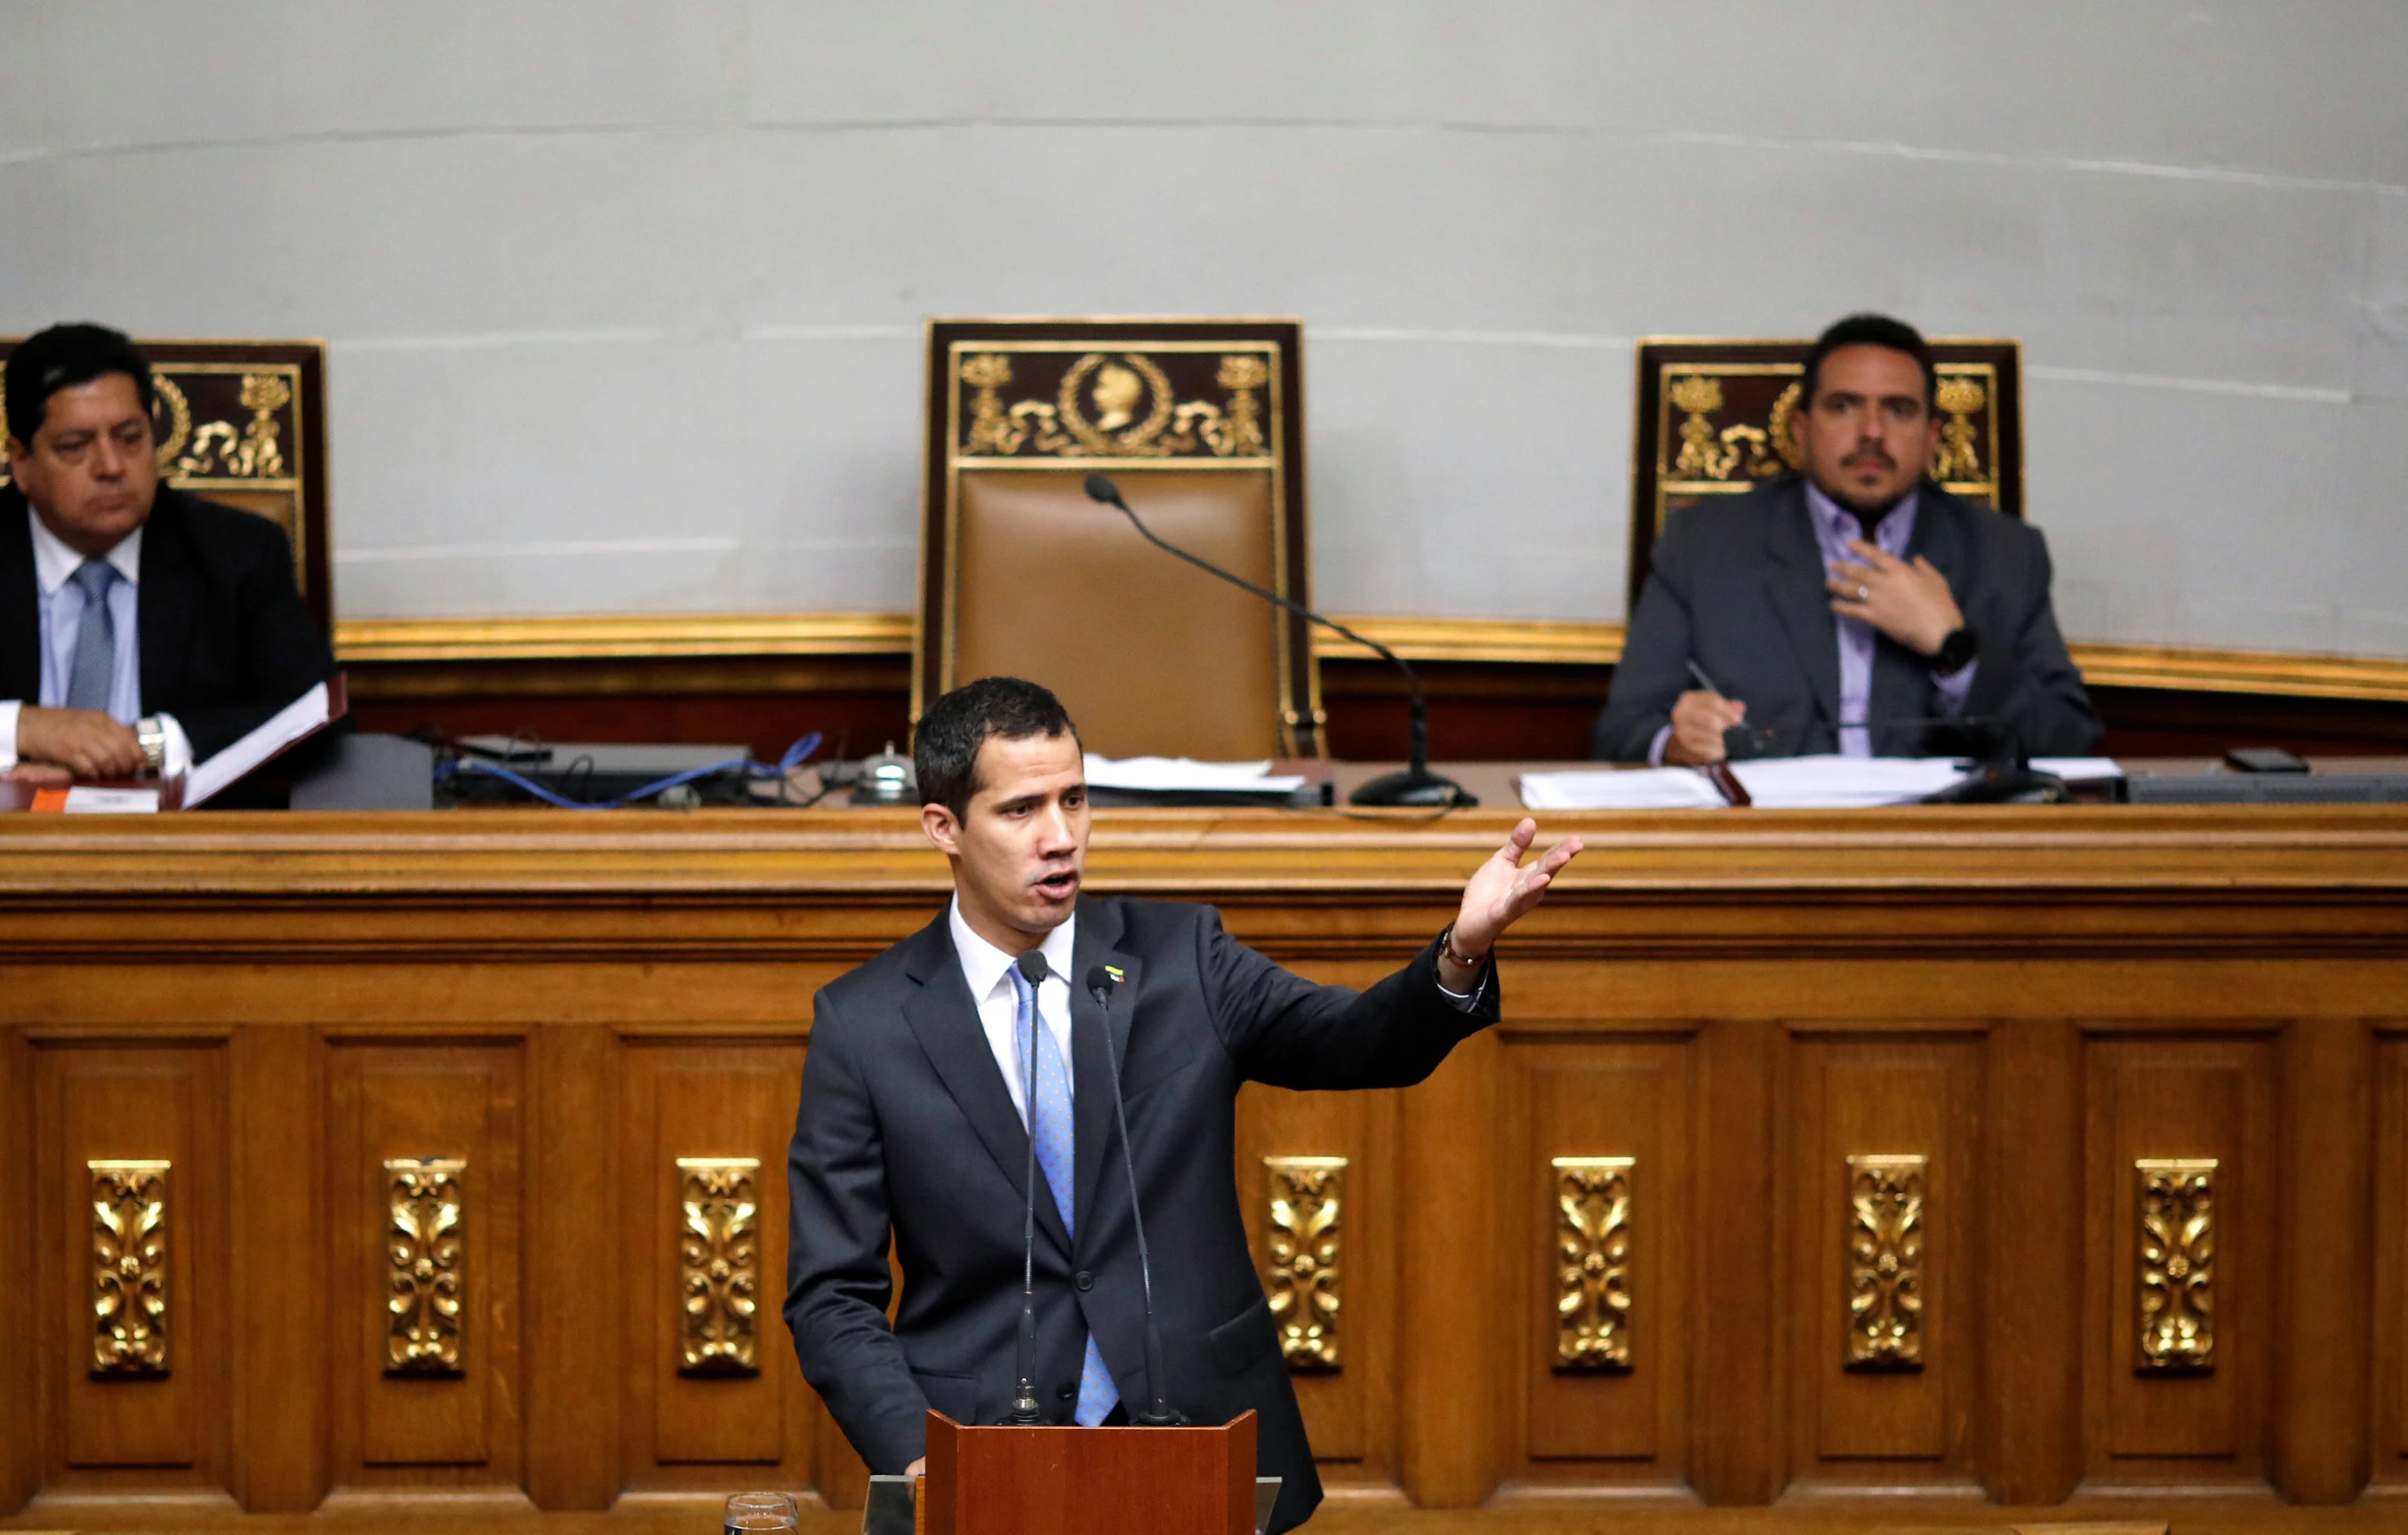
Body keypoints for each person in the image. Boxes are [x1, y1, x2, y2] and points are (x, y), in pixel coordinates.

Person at [784, 677, 1581, 1533]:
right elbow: (831, 1293)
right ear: (943, 827)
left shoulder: (1181, 959)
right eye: (1021, 811)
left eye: (1074, 799)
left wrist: (1459, 951)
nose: (1060, 839)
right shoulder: (864, 1023)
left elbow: (1359, 1041)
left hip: (1198, 1441)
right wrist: (920, 1458)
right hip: (975, 1461)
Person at [0, 323, 333, 790]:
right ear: (21, 462)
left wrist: (146, 744)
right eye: (75, 446)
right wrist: (28, 729)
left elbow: (316, 715)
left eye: (131, 439)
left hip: (181, 850)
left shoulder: (235, 553)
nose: (111, 466)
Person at [1593, 313, 2102, 764]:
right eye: (1844, 406)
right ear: (1801, 429)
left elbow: (2070, 739)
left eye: (1899, 410)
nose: (1873, 432)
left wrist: (1954, 649)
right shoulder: (1703, 544)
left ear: (1932, 436)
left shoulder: (2007, 555)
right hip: (1767, 850)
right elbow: (1623, 729)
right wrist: (1677, 741)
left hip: (1941, 850)